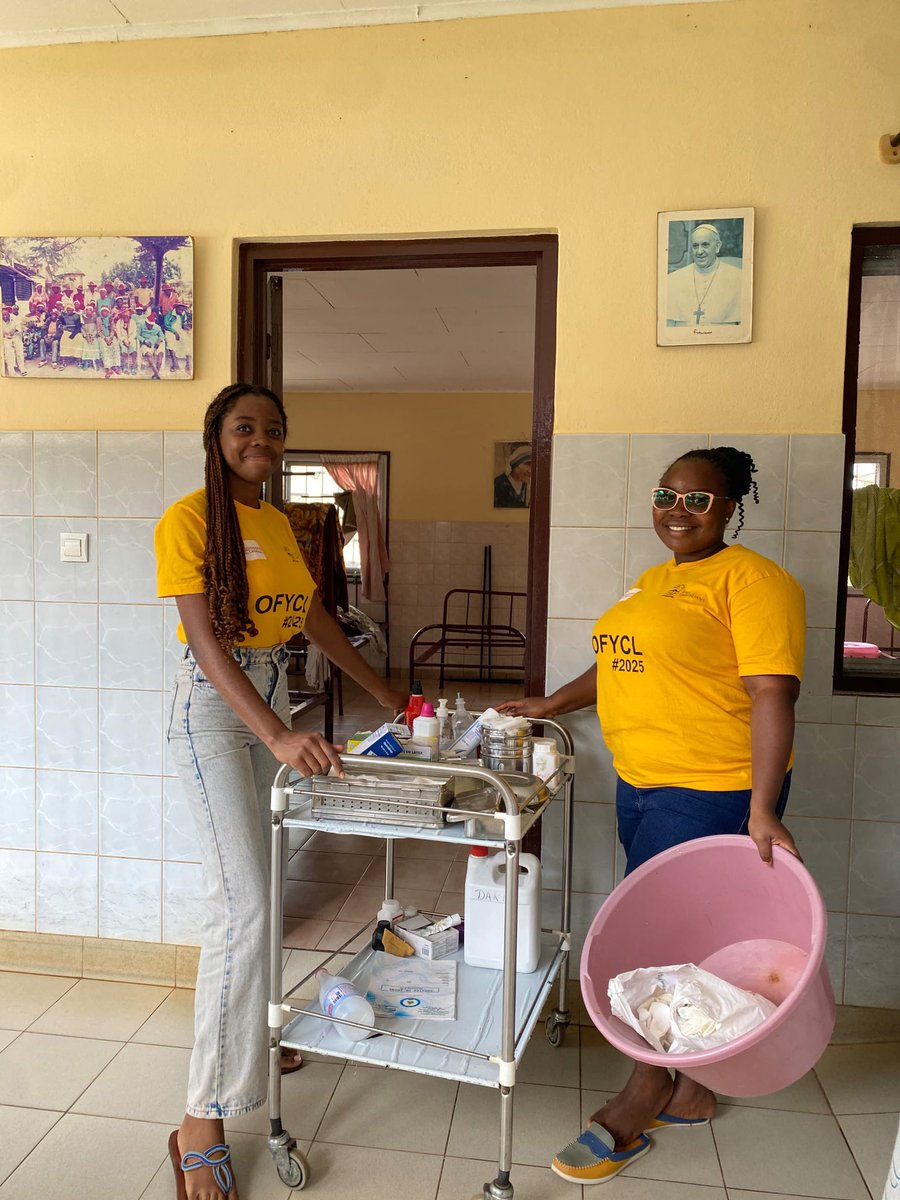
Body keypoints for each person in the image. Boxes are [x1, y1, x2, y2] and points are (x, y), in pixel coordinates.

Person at [499, 446, 805, 1187]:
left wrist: (762, 807)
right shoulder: (656, 583)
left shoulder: (754, 580)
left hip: (712, 788)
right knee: (690, 938)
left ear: (730, 507)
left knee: (662, 939)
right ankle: (694, 1089)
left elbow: (772, 693)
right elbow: (615, 665)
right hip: (644, 786)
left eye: (698, 499)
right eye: (667, 494)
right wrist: (548, 704)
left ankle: (643, 1093)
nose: (678, 509)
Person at [156, 383, 405, 1200]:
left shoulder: (278, 524)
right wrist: (276, 734)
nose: (259, 439)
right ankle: (202, 1119)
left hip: (273, 695)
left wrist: (386, 691)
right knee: (244, 908)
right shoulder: (190, 520)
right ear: (216, 436)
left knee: (257, 898)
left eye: (272, 429)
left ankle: (250, 1044)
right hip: (218, 711)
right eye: (243, 427)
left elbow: (313, 620)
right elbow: (204, 639)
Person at [666, 223, 742, 327]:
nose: (699, 251)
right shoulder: (673, 280)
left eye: (705, 245)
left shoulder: (739, 278)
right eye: (695, 246)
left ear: (717, 246)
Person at [493, 443, 532, 508]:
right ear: (515, 465)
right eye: (527, 464)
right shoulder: (498, 485)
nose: (530, 471)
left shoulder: (527, 486)